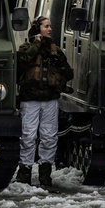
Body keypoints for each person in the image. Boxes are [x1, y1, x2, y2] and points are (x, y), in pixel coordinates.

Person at [16, 16, 73, 187]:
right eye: (46, 26)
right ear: (37, 28)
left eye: (50, 26)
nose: (49, 29)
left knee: (49, 137)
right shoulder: (27, 48)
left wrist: (57, 60)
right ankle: (24, 172)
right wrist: (36, 45)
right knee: (28, 136)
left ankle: (45, 173)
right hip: (30, 100)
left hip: (50, 100)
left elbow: (68, 73)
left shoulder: (55, 51)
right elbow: (21, 65)